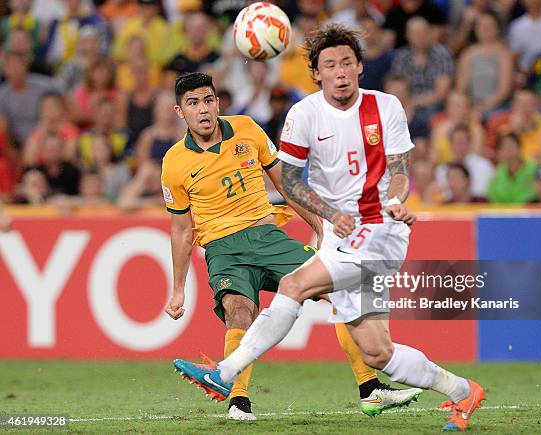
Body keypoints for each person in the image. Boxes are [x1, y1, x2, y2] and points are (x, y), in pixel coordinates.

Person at [173, 25, 485, 431]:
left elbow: (400, 172)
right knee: (378, 352)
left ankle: (226, 374)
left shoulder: (386, 107)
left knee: (294, 286)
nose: (339, 72)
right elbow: (290, 178)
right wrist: (326, 217)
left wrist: (395, 201)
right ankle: (463, 392)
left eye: (346, 63)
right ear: (316, 74)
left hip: (381, 233)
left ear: (359, 66)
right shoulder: (304, 114)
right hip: (342, 236)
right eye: (329, 65)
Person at [163, 73, 420, 421]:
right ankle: (238, 402)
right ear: (180, 111)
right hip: (224, 249)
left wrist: (319, 226)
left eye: (208, 100)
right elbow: (181, 230)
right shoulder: (174, 163)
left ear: (218, 103)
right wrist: (177, 289)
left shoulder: (247, 130)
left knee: (341, 291)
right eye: (193, 103)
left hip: (268, 238)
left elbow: (285, 182)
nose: (203, 109)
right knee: (239, 310)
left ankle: (370, 389)